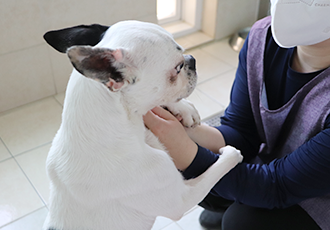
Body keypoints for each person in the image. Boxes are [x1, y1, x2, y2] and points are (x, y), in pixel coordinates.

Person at [143, 1, 330, 229]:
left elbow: (278, 186)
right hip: (280, 168)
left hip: (319, 194)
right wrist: (189, 131)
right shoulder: (262, 37)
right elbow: (242, 131)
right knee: (197, 175)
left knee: (242, 221)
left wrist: (188, 154)